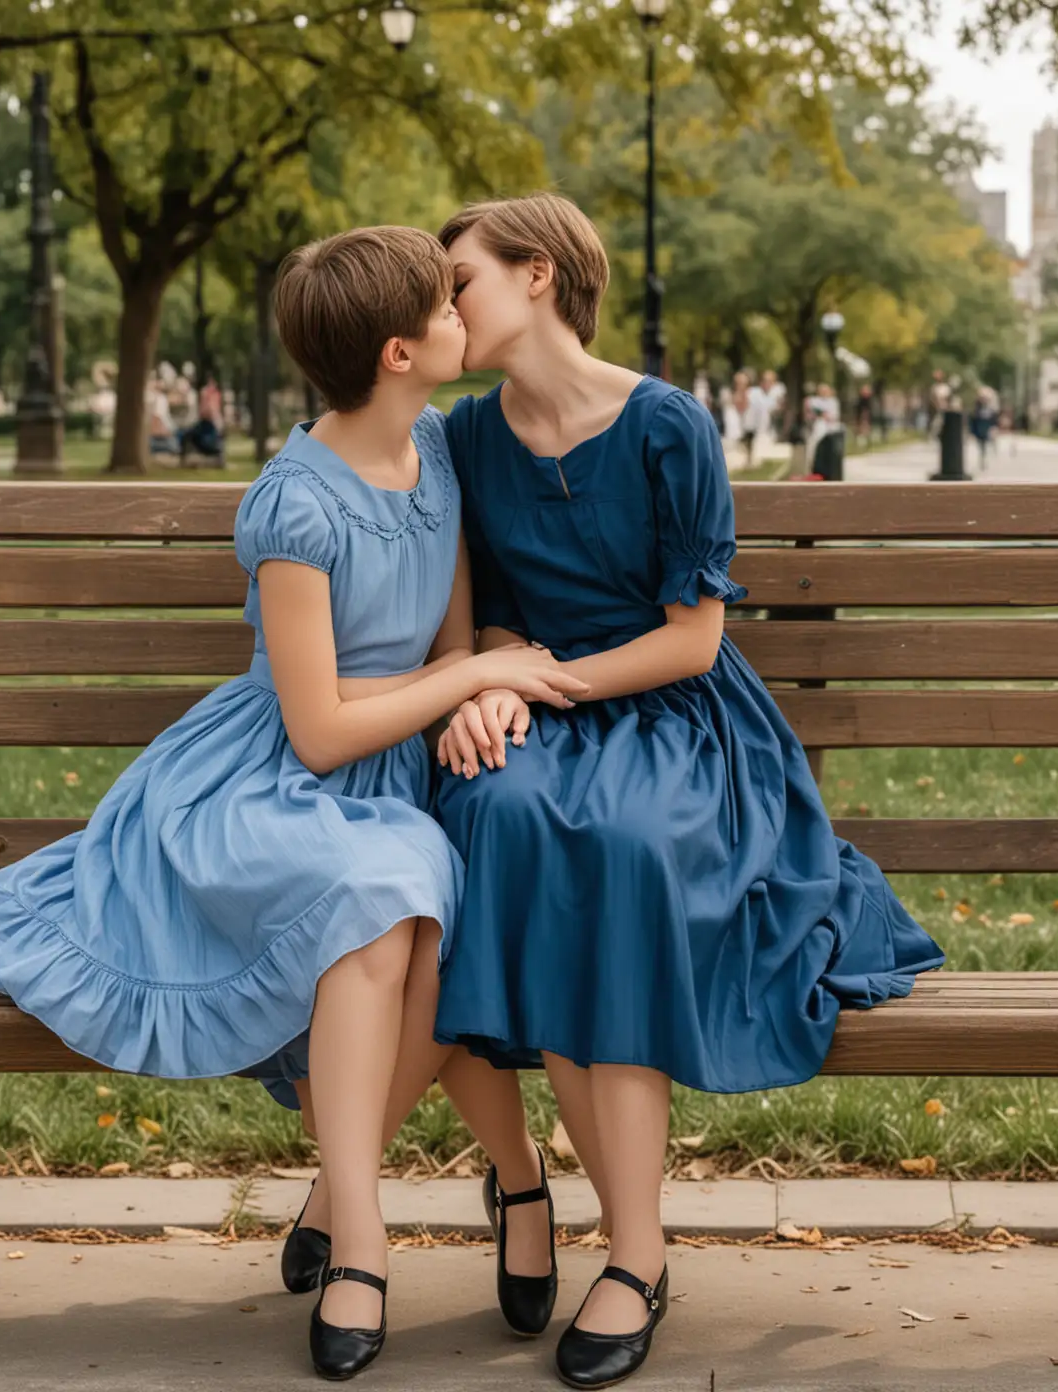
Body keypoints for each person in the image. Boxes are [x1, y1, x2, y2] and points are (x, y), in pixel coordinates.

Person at [0, 226, 586, 1380]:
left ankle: (400, 1196)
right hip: (272, 786)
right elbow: (320, 726)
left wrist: (471, 696)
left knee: (436, 915)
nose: (462, 316)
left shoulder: (437, 449)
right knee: (390, 900)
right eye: (445, 306)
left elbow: (448, 640)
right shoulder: (294, 506)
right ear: (398, 351)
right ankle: (375, 1233)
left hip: (401, 776)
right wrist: (470, 677)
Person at [434, 194, 945, 1389]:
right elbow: (494, 600)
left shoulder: (667, 424)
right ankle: (547, 1196)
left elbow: (693, 642)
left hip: (675, 719)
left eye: (460, 278)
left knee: (618, 845)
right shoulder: (466, 437)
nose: (444, 302)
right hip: (548, 707)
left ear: (540, 276)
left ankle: (637, 1251)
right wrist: (496, 675)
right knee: (498, 814)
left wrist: (537, 680)